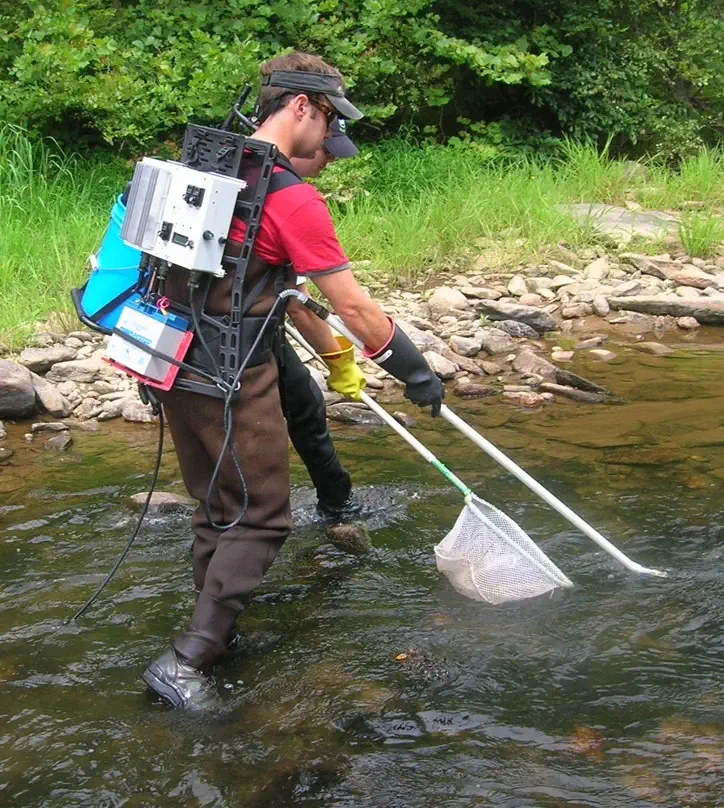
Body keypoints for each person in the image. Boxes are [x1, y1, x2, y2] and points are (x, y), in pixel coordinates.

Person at [141, 51, 443, 711]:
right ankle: (188, 661)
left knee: (219, 508)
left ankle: (218, 634)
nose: (328, 134)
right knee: (261, 518)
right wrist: (414, 372)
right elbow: (356, 308)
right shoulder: (289, 196)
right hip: (232, 373)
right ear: (301, 105)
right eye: (329, 115)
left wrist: (334, 361)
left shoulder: (208, 165)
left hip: (168, 361)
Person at [276, 119, 363, 520]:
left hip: (206, 329)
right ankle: (336, 504)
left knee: (305, 402)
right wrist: (339, 362)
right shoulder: (285, 194)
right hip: (238, 342)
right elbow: (299, 304)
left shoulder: (244, 170)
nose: (330, 160)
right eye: (327, 149)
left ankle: (337, 501)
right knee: (304, 406)